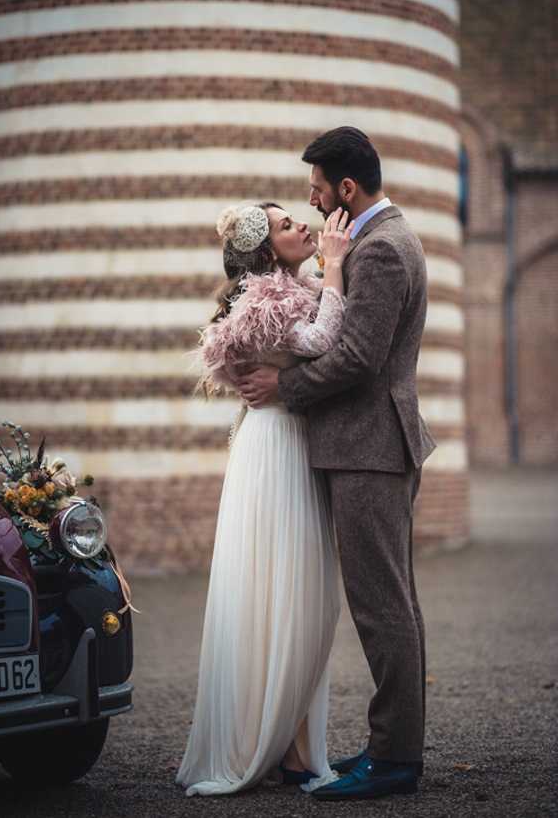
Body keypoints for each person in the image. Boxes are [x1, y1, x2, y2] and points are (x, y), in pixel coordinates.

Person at [238, 127, 437, 801]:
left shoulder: (381, 251)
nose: (313, 200)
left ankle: (393, 761)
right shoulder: (386, 239)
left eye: (317, 189)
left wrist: (283, 389)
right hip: (372, 445)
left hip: (369, 448)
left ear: (346, 188)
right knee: (392, 601)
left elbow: (357, 358)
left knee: (382, 606)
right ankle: (392, 747)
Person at [175, 200, 355, 796]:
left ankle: (295, 747)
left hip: (285, 441)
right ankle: (284, 750)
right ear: (265, 251)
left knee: (298, 595)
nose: (302, 225)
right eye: (286, 226)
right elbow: (324, 338)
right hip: (276, 450)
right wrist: (335, 267)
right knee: (287, 592)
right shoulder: (266, 301)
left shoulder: (284, 290)